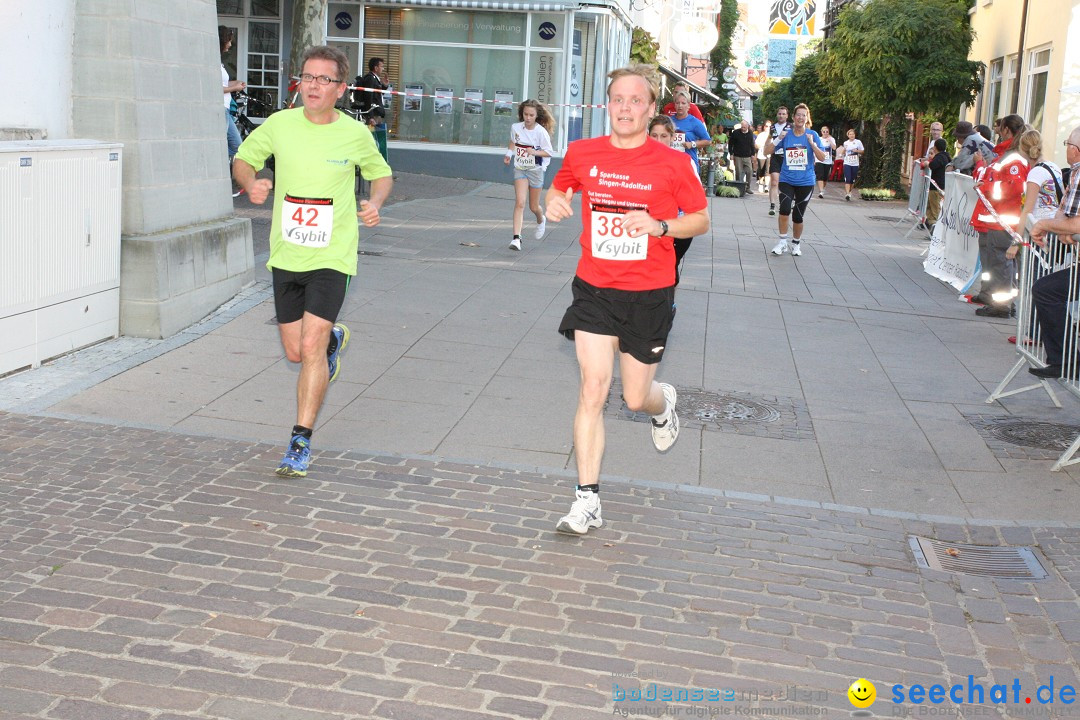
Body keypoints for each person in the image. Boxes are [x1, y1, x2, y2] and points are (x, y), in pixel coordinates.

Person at [544, 65, 709, 535]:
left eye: (636, 101)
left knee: (635, 397)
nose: (626, 108)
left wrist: (659, 226)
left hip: (649, 293)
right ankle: (586, 499)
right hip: (594, 287)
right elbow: (560, 187)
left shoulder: (673, 164)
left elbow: (700, 220)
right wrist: (553, 201)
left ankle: (663, 404)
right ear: (607, 105)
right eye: (618, 99)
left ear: (651, 109)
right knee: (593, 388)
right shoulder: (582, 152)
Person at [233, 45, 393, 477]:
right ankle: (333, 341)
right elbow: (243, 159)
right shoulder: (280, 125)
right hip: (287, 252)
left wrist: (375, 202)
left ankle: (299, 441)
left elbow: (381, 174)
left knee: (308, 346)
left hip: (332, 255)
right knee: (295, 351)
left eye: (324, 80)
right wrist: (251, 184)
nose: (314, 86)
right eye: (308, 77)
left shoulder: (354, 134)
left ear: (341, 89)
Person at [1028, 126, 1080, 378]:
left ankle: (1066, 361)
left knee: (1045, 290)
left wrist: (1044, 224)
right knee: (1047, 289)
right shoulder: (1073, 174)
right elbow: (1064, 214)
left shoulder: (1079, 173)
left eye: (1067, 143)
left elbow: (1074, 224)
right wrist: (1061, 228)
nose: (1066, 148)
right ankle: (1066, 360)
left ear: (1074, 149)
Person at [968, 123, 1031, 318]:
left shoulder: (1013, 159)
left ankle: (1001, 306)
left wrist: (987, 187)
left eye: (1000, 128)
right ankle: (996, 300)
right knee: (996, 265)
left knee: (1001, 265)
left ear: (1007, 131)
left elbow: (1012, 189)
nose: (996, 132)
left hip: (1003, 220)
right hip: (996, 218)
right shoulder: (1004, 157)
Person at [765, 103, 827, 257]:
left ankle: (796, 244)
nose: (800, 117)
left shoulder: (812, 135)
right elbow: (767, 151)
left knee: (798, 216)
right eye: (798, 115)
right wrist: (778, 138)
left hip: (805, 181)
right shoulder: (787, 135)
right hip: (787, 179)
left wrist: (812, 145)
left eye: (803, 115)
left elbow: (822, 157)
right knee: (784, 209)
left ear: (807, 118)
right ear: (793, 117)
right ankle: (782, 242)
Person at [648, 115, 696, 285]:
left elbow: (695, 199)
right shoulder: (642, 161)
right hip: (650, 225)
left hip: (679, 226)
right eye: (654, 136)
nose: (659, 140)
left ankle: (668, 305)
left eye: (664, 136)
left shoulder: (683, 162)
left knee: (670, 265)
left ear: (672, 137)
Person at [504, 99, 556, 251]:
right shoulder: (516, 127)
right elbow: (514, 141)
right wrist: (509, 153)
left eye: (531, 115)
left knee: (534, 207)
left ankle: (541, 219)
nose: (528, 118)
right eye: (525, 114)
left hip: (536, 170)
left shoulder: (540, 132)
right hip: (520, 168)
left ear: (536, 116)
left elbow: (549, 152)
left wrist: (534, 152)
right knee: (520, 202)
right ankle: (516, 239)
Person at [219, 27, 245, 166]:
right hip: (222, 108)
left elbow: (223, 84)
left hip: (226, 109)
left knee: (236, 145)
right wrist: (235, 88)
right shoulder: (215, 63)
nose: (230, 44)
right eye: (228, 41)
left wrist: (235, 83)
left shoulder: (219, 63)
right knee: (232, 144)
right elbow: (215, 88)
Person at [669, 91, 711, 174]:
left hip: (689, 165)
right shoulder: (669, 121)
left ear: (688, 106)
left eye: (683, 103)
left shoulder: (695, 122)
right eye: (677, 103)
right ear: (675, 105)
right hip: (672, 165)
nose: (680, 106)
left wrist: (692, 144)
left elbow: (708, 141)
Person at [922, 138, 950, 228]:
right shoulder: (946, 156)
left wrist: (927, 163)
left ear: (935, 147)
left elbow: (933, 165)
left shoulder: (940, 157)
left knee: (934, 208)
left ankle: (936, 227)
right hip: (938, 186)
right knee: (930, 207)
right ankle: (931, 225)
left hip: (936, 186)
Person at [768, 107, 790, 215]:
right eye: (779, 113)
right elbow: (769, 139)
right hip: (775, 157)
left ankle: (786, 202)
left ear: (787, 116)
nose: (781, 116)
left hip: (787, 158)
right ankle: (772, 205)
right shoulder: (773, 127)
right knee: (774, 181)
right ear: (777, 115)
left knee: (785, 182)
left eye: (783, 114)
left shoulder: (791, 127)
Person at [729, 119, 757, 193]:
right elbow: (730, 144)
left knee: (749, 171)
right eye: (742, 127)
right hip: (737, 156)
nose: (742, 128)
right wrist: (731, 153)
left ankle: (748, 187)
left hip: (747, 156)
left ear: (747, 127)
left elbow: (752, 145)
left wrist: (753, 154)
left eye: (744, 127)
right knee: (738, 172)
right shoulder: (735, 133)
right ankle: (738, 187)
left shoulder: (750, 133)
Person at [841, 127, 864, 200]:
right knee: (848, 179)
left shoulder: (858, 142)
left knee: (852, 179)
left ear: (855, 135)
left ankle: (850, 192)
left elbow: (862, 151)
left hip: (855, 163)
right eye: (850, 134)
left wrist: (857, 151)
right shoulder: (846, 143)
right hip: (847, 163)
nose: (851, 135)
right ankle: (847, 193)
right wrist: (844, 150)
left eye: (853, 134)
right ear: (848, 135)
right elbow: (843, 153)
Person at [814, 125, 836, 198]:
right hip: (819, 160)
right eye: (824, 132)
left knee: (825, 177)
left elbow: (834, 148)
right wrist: (814, 159)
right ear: (821, 132)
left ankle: (822, 189)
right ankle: (821, 191)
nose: (825, 133)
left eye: (827, 132)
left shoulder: (831, 139)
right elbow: (815, 149)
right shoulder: (818, 139)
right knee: (820, 175)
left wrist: (830, 141)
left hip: (827, 161)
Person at [755, 122, 771, 193]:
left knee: (767, 171)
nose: (768, 128)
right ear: (764, 127)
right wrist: (761, 147)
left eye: (769, 126)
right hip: (761, 154)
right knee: (761, 169)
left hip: (769, 155)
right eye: (766, 126)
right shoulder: (760, 135)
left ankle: (766, 186)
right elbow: (756, 145)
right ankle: (761, 184)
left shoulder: (771, 135)